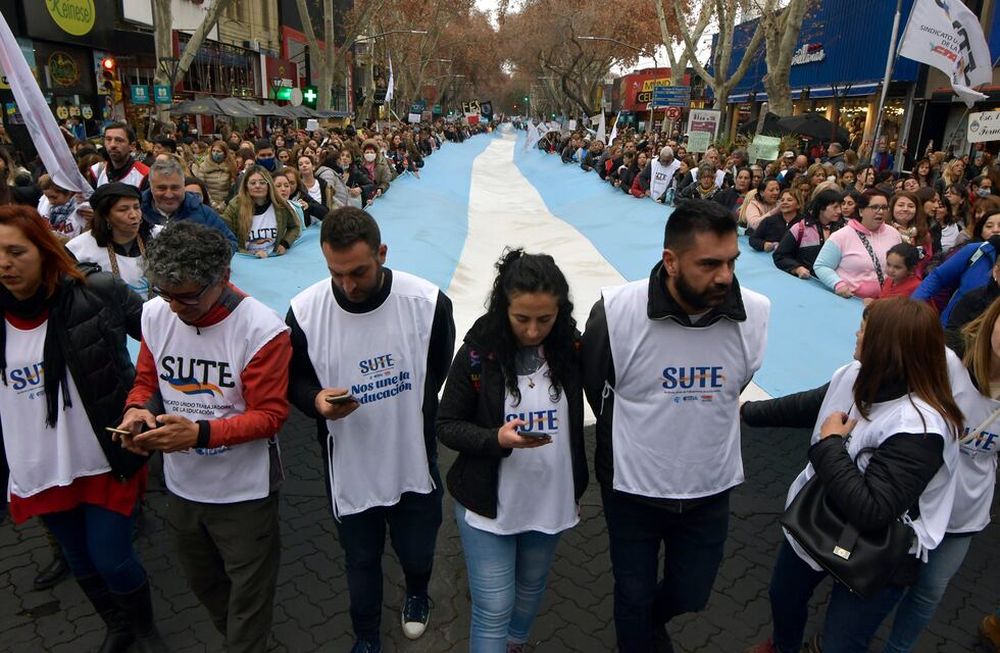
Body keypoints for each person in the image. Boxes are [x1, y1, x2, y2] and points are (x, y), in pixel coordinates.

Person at [581, 199, 770, 653]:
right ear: (671, 260)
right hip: (632, 490)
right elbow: (596, 387)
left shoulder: (756, 313)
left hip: (709, 489)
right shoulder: (616, 312)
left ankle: (650, 624)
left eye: (731, 262)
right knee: (632, 593)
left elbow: (735, 386)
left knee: (692, 593)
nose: (725, 276)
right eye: (709, 264)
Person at [742, 298, 961, 653]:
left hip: (879, 550)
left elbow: (872, 511)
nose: (856, 334)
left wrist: (829, 443)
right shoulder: (857, 374)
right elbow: (813, 403)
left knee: (843, 641)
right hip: (819, 519)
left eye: (864, 330)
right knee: (783, 595)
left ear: (887, 348)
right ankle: (784, 646)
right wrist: (746, 412)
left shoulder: (921, 428)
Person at [286, 207, 455, 653]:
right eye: (335, 273)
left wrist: (406, 413)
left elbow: (436, 372)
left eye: (358, 271)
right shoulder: (304, 312)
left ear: (382, 253)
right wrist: (315, 402)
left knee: (417, 551)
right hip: (349, 466)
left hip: (411, 459)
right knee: (360, 560)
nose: (347, 285)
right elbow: (294, 380)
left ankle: (417, 592)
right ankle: (365, 635)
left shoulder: (428, 304)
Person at [118, 221, 291, 653]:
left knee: (249, 603)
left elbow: (270, 416)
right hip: (182, 487)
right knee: (207, 587)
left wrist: (199, 433)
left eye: (188, 296)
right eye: (165, 293)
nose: (175, 307)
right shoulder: (156, 314)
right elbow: (147, 381)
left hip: (245, 493)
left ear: (224, 278)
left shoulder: (262, 330)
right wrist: (138, 410)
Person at [0, 205, 166, 652]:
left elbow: (162, 337)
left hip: (103, 455)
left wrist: (146, 404)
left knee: (112, 557)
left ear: (45, 250)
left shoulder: (96, 291)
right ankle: (117, 625)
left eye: (16, 251)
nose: (4, 264)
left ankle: (145, 628)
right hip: (39, 462)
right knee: (78, 557)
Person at [437, 249, 588, 653]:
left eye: (545, 319)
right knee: (493, 605)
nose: (534, 330)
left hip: (549, 497)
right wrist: (496, 440)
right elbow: (446, 424)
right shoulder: (477, 353)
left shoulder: (571, 348)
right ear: (504, 307)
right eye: (522, 319)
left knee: (530, 587)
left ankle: (516, 643)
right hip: (488, 502)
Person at [876, 298, 1000, 653]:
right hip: (910, 501)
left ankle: (897, 650)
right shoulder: (947, 358)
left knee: (929, 593)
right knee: (879, 580)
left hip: (963, 512)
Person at [66, 182, 160, 297]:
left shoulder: (160, 236)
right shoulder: (78, 250)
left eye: (136, 207)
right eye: (123, 209)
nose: (134, 215)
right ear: (105, 215)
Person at [814, 189, 903, 299]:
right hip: (850, 300)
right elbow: (821, 265)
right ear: (861, 211)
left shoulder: (894, 234)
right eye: (874, 207)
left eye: (884, 208)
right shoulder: (841, 236)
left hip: (882, 303)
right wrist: (838, 284)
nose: (880, 212)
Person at [140, 158, 237, 251]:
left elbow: (229, 243)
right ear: (151, 187)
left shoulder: (202, 213)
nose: (169, 195)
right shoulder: (137, 211)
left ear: (183, 186)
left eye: (175, 188)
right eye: (161, 188)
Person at [221, 166, 300, 258]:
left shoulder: (279, 205)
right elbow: (224, 234)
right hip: (244, 259)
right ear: (246, 186)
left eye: (262, 182)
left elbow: (294, 226)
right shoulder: (235, 206)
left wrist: (285, 243)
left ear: (269, 184)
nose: (257, 186)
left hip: (273, 258)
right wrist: (248, 254)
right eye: (253, 183)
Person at [773, 189, 845, 279]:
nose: (839, 211)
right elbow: (780, 256)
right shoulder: (800, 228)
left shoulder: (843, 229)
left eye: (840, 207)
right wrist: (797, 268)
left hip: (836, 283)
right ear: (822, 207)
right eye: (835, 207)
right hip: (808, 283)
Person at [90, 122, 149, 189]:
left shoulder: (144, 175)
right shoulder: (97, 171)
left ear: (132, 146)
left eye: (119, 140)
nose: (112, 145)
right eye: (108, 139)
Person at [888, 191, 933, 276]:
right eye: (900, 205)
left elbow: (928, 259)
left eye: (911, 206)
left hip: (916, 282)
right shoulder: (885, 231)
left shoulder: (923, 234)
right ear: (892, 208)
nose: (905, 209)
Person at [36, 174, 85, 241]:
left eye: (54, 197)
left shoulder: (82, 211)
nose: (51, 202)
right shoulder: (51, 209)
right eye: (48, 197)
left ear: (68, 192)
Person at [192, 140, 237, 212]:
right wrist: (212, 203)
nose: (215, 153)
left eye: (219, 151)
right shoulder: (204, 166)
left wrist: (224, 203)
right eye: (213, 151)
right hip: (209, 205)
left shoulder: (231, 166)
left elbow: (232, 188)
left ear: (225, 153)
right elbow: (202, 186)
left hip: (226, 205)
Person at [297, 154, 331, 226]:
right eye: (300, 164)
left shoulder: (323, 184)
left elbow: (328, 208)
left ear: (313, 166)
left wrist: (309, 206)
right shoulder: (297, 187)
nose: (304, 165)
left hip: (322, 225)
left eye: (307, 163)